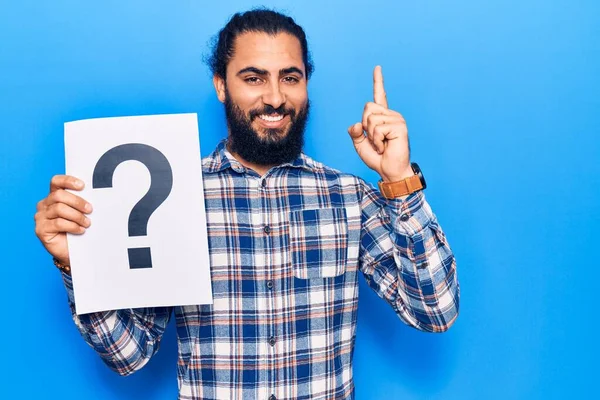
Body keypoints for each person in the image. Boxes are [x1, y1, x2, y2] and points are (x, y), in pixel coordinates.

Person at [34, 8, 459, 400]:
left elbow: (436, 312)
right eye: (253, 78)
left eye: (290, 77)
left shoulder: (348, 196)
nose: (274, 97)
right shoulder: (174, 196)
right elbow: (129, 354)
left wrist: (399, 180)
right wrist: (77, 266)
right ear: (221, 85)